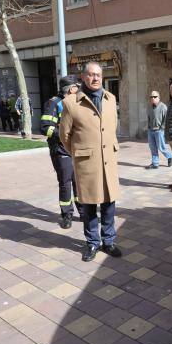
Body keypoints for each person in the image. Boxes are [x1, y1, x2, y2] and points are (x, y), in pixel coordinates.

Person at [59, 62, 122, 262]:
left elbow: (113, 126)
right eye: (91, 74)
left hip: (108, 159)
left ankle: (108, 241)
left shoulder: (111, 98)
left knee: (109, 204)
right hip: (87, 163)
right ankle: (92, 242)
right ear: (83, 77)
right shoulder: (71, 103)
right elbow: (64, 135)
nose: (95, 78)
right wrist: (79, 152)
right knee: (89, 205)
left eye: (98, 75)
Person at [41, 76, 82, 229]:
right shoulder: (54, 103)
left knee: (79, 183)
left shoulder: (76, 102)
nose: (79, 90)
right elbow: (45, 127)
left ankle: (84, 212)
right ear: (71, 89)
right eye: (77, 87)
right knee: (65, 184)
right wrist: (65, 134)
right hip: (61, 150)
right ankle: (67, 215)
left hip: (76, 150)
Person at [146, 91, 172, 169]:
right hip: (151, 130)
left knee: (161, 147)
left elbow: (166, 118)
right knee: (152, 147)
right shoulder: (149, 107)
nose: (153, 98)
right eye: (151, 97)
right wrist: (149, 127)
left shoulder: (163, 107)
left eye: (155, 97)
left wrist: (162, 128)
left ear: (159, 98)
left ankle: (170, 156)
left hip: (159, 130)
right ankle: (155, 163)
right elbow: (149, 118)